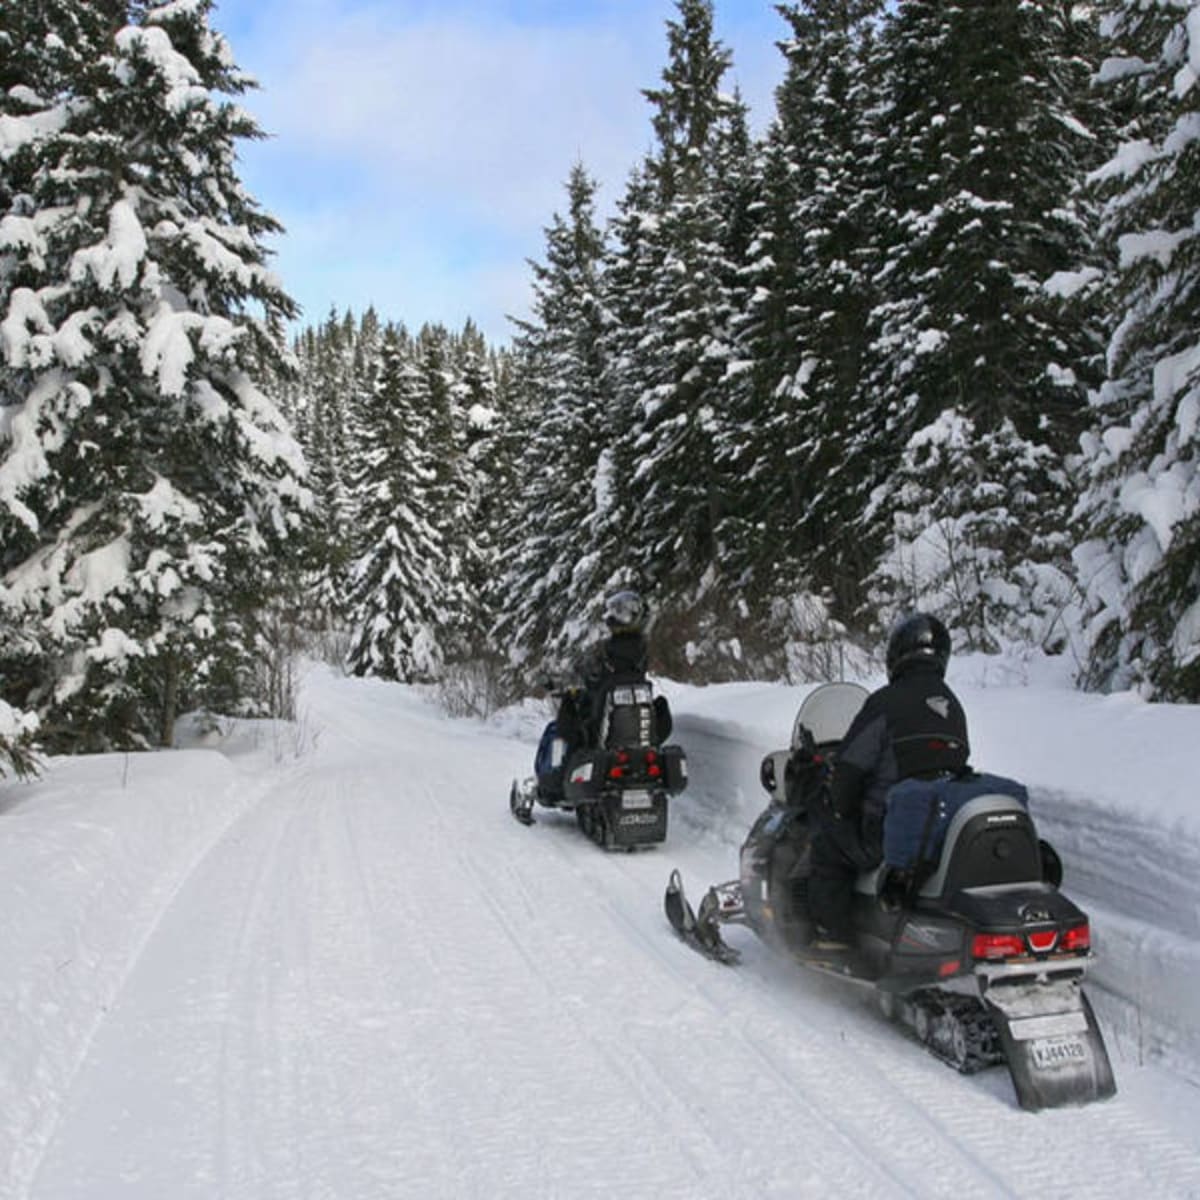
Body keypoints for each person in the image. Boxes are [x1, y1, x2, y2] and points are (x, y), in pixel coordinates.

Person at [806, 612, 969, 949]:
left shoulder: (884, 703)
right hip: (938, 830)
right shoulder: (953, 705)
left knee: (826, 840)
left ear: (897, 654)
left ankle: (832, 936)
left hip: (884, 833)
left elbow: (849, 770)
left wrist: (837, 804)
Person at [535, 589, 651, 799]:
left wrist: (567, 687)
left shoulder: (607, 650)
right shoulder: (641, 651)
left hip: (603, 719)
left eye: (619, 613)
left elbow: (587, 674)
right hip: (632, 723)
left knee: (565, 726)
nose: (612, 617)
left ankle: (554, 783)